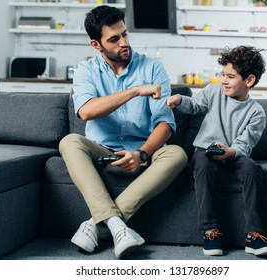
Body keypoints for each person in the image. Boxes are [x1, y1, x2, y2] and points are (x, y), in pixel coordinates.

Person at [59, 5, 187, 259]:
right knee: (70, 141)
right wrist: (134, 91)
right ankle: (118, 226)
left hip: (141, 151)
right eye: (114, 39)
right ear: (96, 45)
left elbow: (165, 122)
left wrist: (141, 155)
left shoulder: (153, 67)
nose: (124, 43)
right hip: (101, 150)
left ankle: (98, 224)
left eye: (125, 35)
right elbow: (85, 111)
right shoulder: (86, 70)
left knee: (177, 154)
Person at [166, 45, 267, 256]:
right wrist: (179, 100)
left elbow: (245, 144)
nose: (224, 80)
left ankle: (254, 234)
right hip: (206, 151)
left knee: (252, 169)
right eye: (223, 74)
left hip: (234, 154)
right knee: (203, 166)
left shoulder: (257, 113)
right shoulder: (214, 91)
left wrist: (231, 151)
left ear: (249, 81)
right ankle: (210, 231)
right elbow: (194, 105)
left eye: (230, 76)